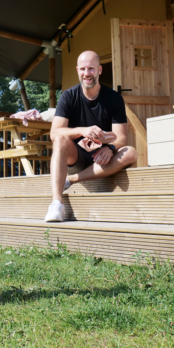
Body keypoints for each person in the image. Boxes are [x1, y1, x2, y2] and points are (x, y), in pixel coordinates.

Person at [45, 50, 138, 222]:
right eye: (82, 69)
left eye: (91, 69)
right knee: (59, 139)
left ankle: (71, 180)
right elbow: (54, 132)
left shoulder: (114, 98)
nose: (86, 73)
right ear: (77, 70)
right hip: (77, 157)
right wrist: (82, 131)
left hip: (102, 158)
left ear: (100, 70)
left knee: (131, 151)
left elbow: (121, 137)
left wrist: (110, 148)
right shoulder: (68, 96)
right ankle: (56, 203)